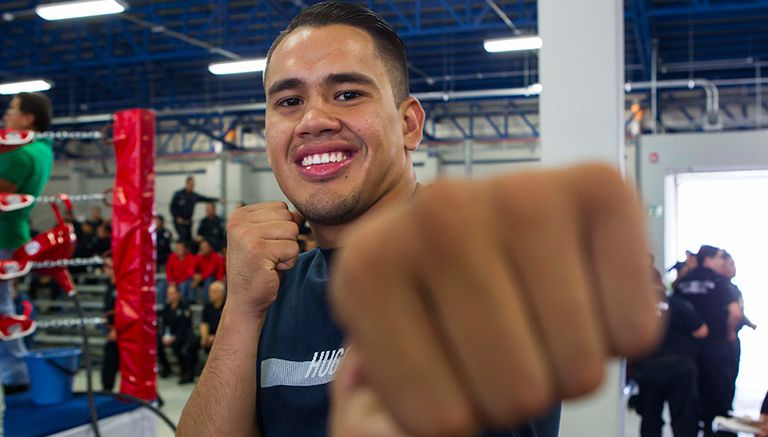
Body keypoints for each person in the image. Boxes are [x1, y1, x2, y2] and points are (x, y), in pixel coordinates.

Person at [178, 3, 660, 436]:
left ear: (409, 123)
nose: (313, 120)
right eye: (288, 101)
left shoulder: (477, 261)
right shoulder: (270, 291)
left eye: (346, 93)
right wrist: (240, 310)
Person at [0, 92, 54, 400]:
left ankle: (17, 376)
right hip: (12, 234)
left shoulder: (21, 154)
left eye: (12, 109)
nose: (7, 115)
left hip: (3, 235)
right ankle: (16, 374)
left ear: (28, 118)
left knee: (2, 308)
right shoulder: (42, 150)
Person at [674, 245, 742, 436]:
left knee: (692, 397)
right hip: (717, 347)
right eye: (720, 258)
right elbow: (735, 312)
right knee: (721, 396)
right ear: (708, 260)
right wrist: (729, 333)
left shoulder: (682, 283)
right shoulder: (720, 282)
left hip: (689, 350)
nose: (723, 262)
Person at [634, 266, 708, 437]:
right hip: (680, 367)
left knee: (650, 418)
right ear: (661, 282)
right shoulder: (678, 304)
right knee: (684, 418)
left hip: (649, 367)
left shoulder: (637, 308)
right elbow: (702, 331)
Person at [158, 283, 199, 384]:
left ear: (178, 294)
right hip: (171, 334)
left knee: (181, 346)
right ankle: (165, 367)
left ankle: (186, 372)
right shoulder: (166, 308)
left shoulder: (184, 306)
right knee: (157, 342)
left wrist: (174, 337)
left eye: (172, 293)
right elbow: (164, 324)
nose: (170, 296)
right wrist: (164, 335)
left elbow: (185, 325)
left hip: (183, 334)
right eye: (168, 294)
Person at [170, 176, 217, 244]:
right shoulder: (178, 194)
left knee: (189, 238)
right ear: (187, 184)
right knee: (183, 236)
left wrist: (216, 199)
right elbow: (172, 207)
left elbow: (204, 198)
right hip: (179, 221)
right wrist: (176, 216)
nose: (192, 187)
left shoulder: (194, 196)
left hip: (188, 221)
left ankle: (188, 253)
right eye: (191, 185)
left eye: (193, 185)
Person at [100, 253, 119, 392]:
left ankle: (107, 390)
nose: (105, 269)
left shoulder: (121, 286)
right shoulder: (110, 286)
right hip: (112, 329)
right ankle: (107, 390)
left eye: (108, 266)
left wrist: (116, 330)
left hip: (120, 331)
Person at [199, 280, 225, 355]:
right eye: (209, 291)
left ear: (220, 293)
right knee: (191, 345)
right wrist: (204, 337)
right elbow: (204, 323)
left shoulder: (227, 307)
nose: (209, 294)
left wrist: (215, 338)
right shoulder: (207, 306)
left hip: (223, 337)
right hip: (209, 335)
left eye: (213, 291)